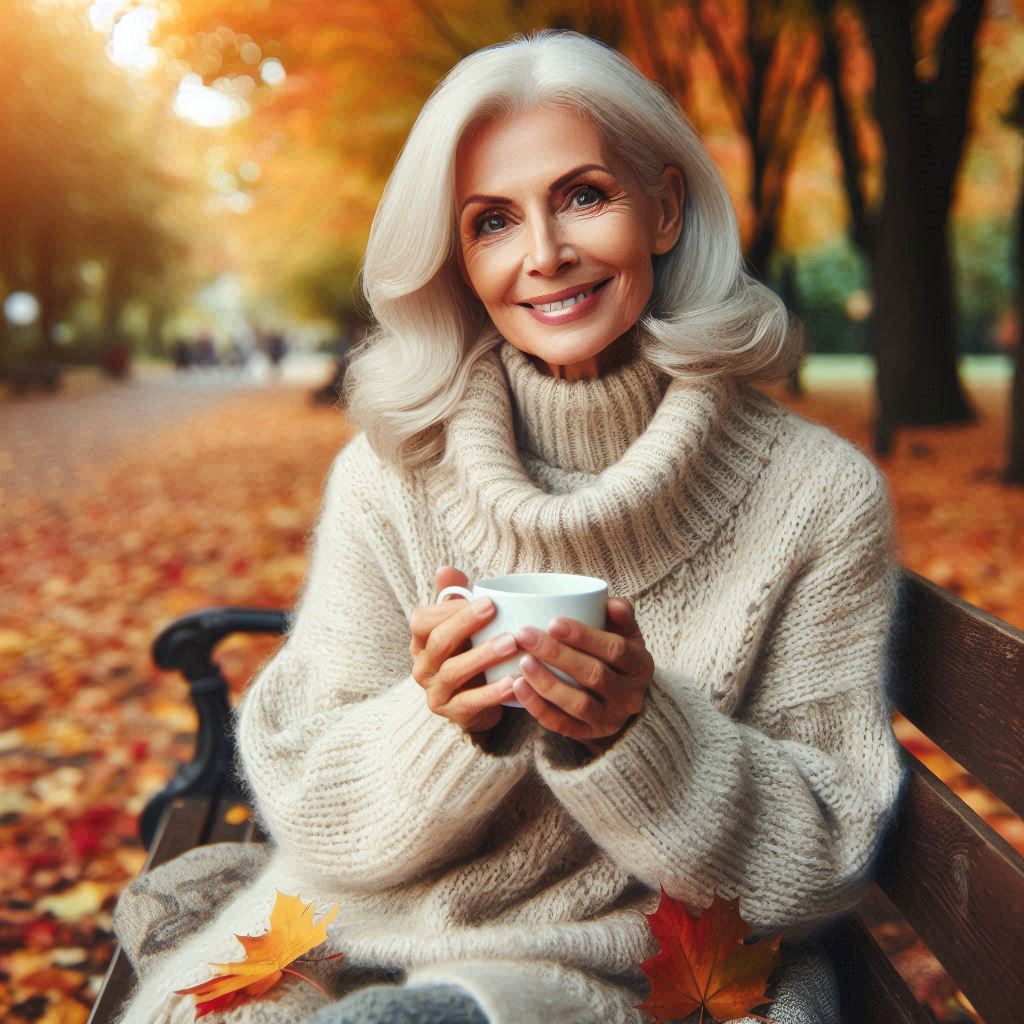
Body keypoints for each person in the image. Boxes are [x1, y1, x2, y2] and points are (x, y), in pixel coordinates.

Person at [113, 31, 904, 1024]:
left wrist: (641, 731)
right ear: (454, 252)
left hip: (633, 975)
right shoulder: (389, 476)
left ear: (662, 207)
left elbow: (821, 855)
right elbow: (312, 805)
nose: (544, 256)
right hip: (365, 932)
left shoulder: (814, 497)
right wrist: (436, 721)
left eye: (583, 196)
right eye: (492, 220)